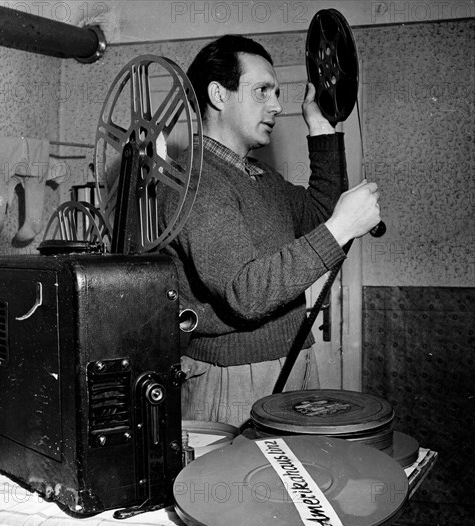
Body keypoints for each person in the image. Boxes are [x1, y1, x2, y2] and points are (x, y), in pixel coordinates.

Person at [159, 35, 381, 428]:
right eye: (262, 91)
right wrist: (341, 227)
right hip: (234, 378)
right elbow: (247, 292)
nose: (277, 105)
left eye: (276, 92)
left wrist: (321, 129)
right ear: (218, 95)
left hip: (293, 361)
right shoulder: (195, 180)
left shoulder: (261, 177)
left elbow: (318, 215)